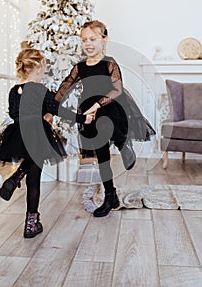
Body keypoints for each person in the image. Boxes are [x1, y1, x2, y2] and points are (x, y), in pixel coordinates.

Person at [0, 45, 92, 238]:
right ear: (37, 69)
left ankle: (16, 177)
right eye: (42, 70)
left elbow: (13, 113)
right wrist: (83, 118)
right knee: (34, 180)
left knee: (31, 165)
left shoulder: (13, 90)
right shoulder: (40, 89)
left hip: (18, 133)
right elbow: (59, 110)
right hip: (38, 132)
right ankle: (30, 223)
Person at [53, 20, 156, 217]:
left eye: (93, 39)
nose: (88, 43)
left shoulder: (109, 63)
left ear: (104, 39)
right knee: (102, 156)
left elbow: (116, 89)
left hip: (111, 106)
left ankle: (123, 144)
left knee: (107, 120)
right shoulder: (80, 67)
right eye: (84, 40)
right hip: (89, 112)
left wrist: (96, 105)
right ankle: (111, 195)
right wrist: (50, 109)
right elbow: (65, 87)